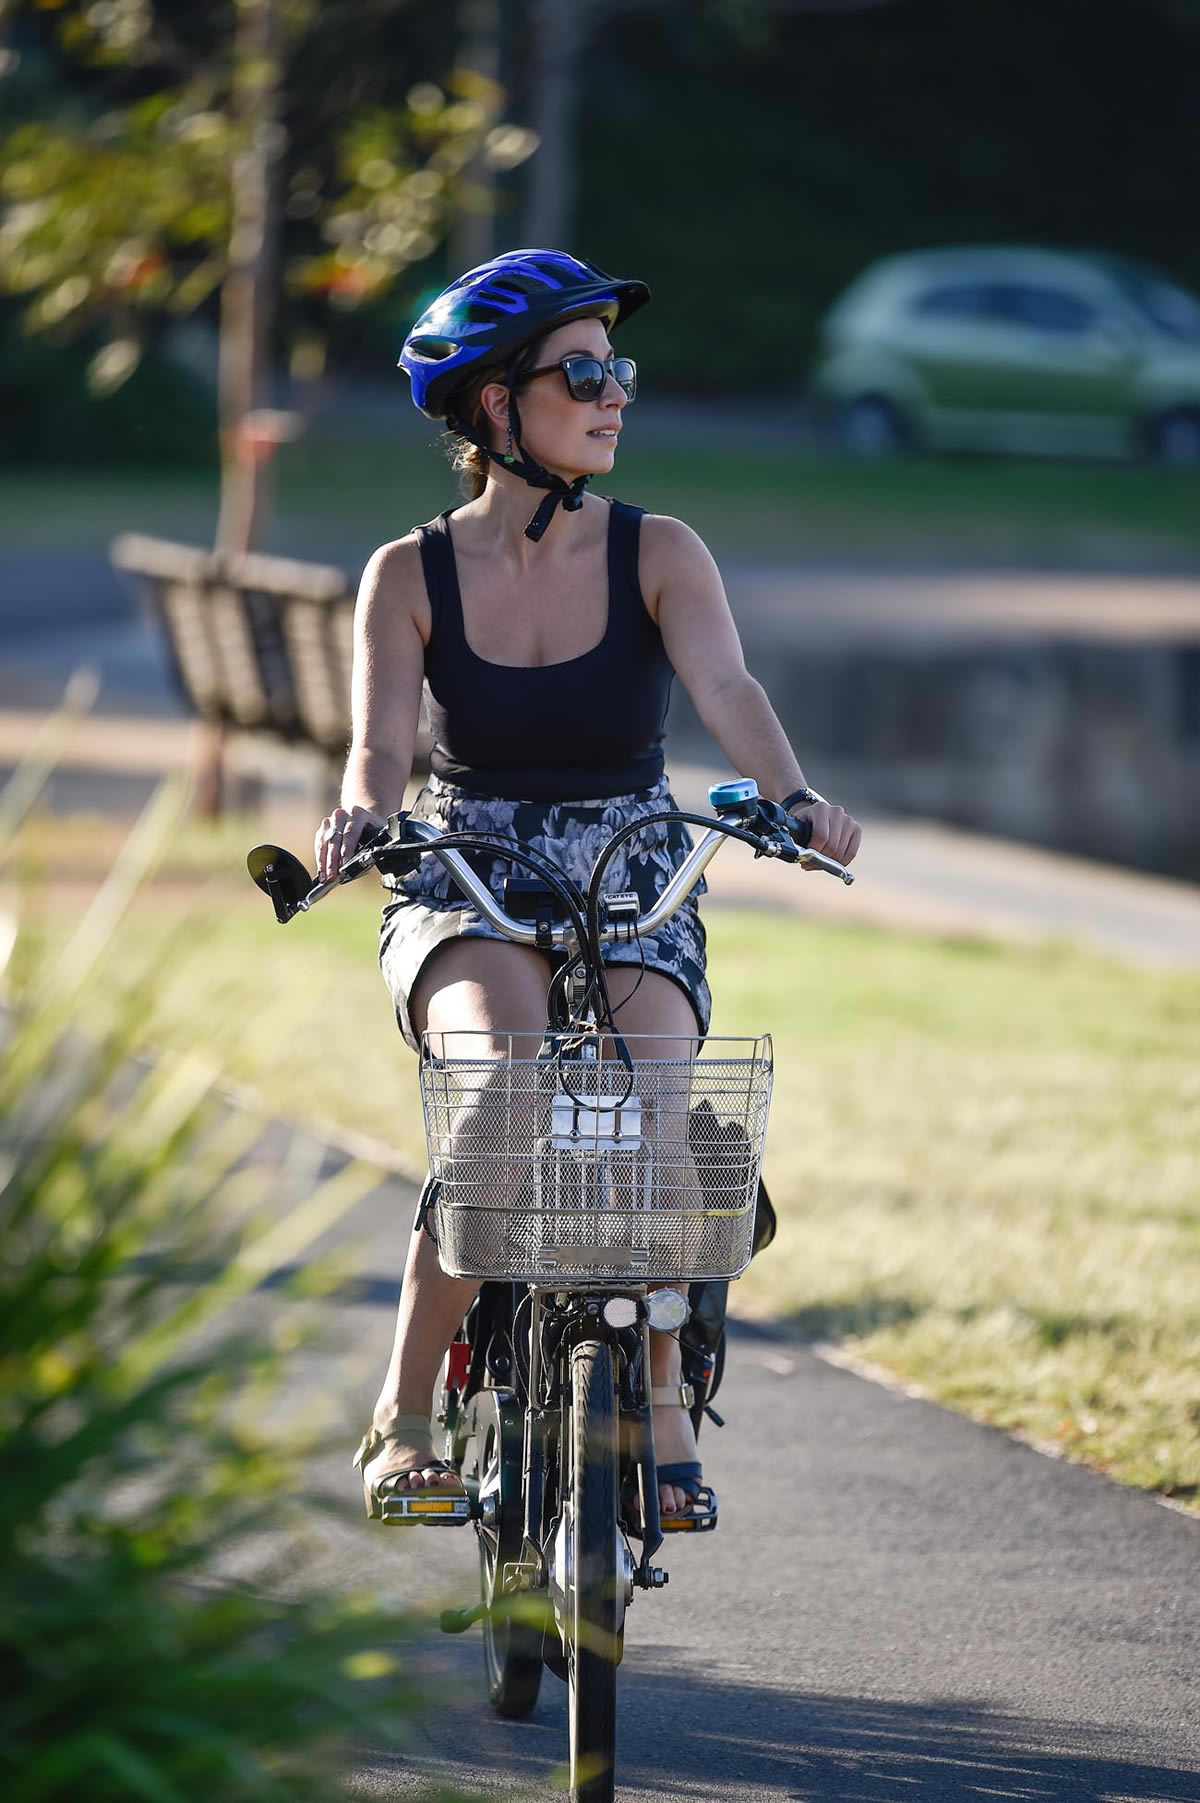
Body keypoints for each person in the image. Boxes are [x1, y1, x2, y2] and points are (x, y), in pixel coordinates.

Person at [314, 248, 861, 1525]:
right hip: (470, 868)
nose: (616, 393)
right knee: (500, 1090)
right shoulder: (410, 574)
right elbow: (380, 751)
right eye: (584, 370)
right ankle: (401, 1417)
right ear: (496, 406)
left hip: (627, 862)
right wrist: (358, 819)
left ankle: (663, 1400)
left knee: (664, 1104)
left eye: (620, 368)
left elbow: (729, 690)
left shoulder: (661, 550)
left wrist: (792, 801)